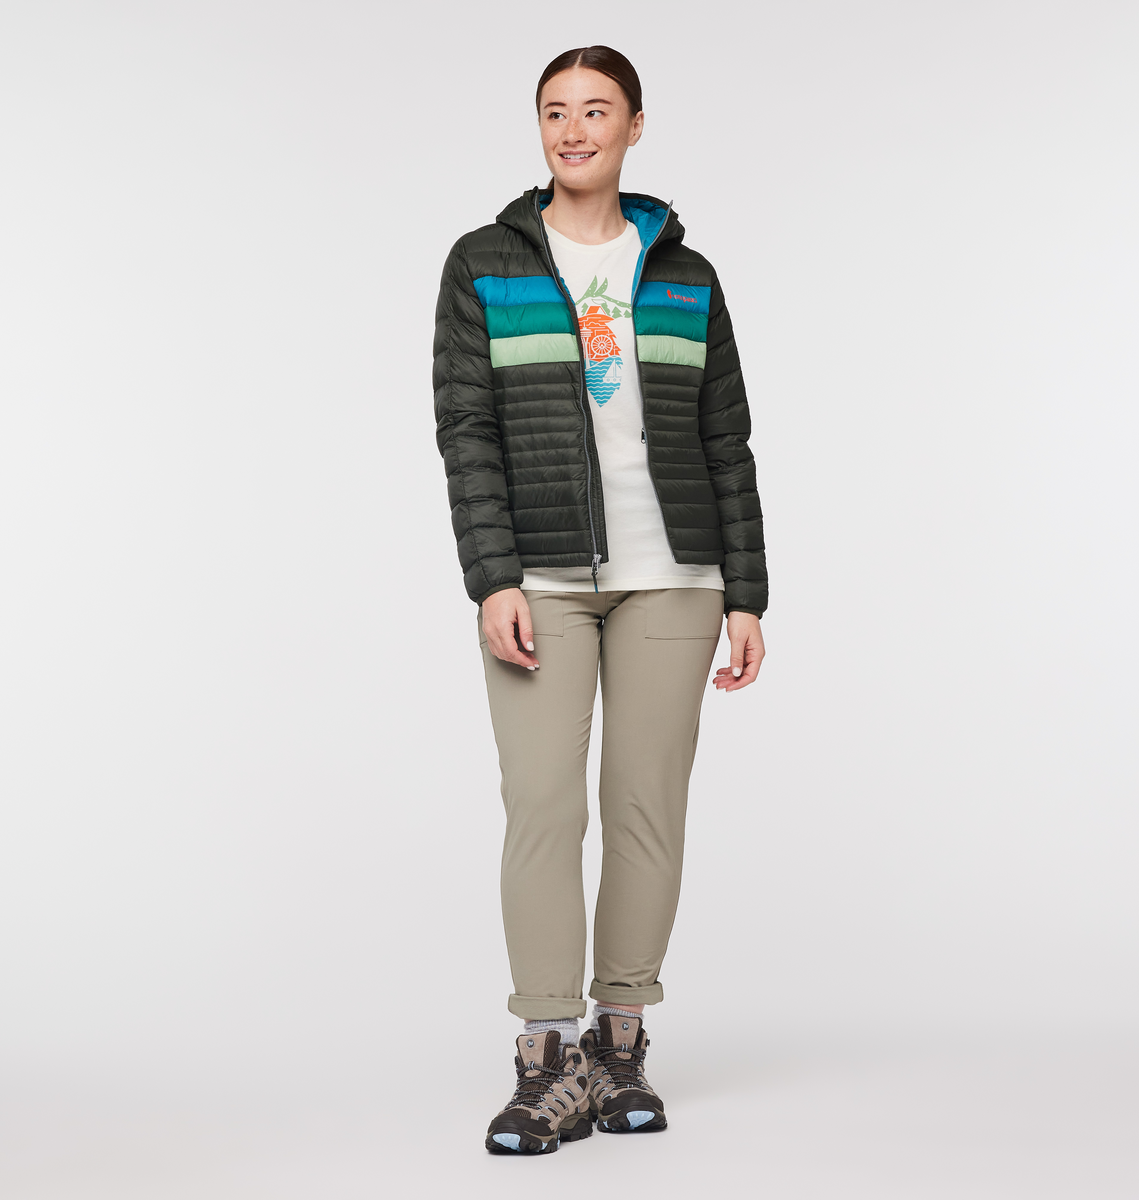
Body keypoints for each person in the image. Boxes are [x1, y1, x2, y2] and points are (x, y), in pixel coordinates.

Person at [432, 45, 768, 1155]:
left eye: (595, 110)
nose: (573, 130)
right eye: (554, 112)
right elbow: (467, 431)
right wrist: (492, 577)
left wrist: (747, 592)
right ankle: (546, 1055)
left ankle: (619, 1045)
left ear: (634, 125)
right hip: (540, 574)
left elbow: (727, 437)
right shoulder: (485, 262)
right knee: (543, 805)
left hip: (676, 575)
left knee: (645, 806)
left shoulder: (686, 275)